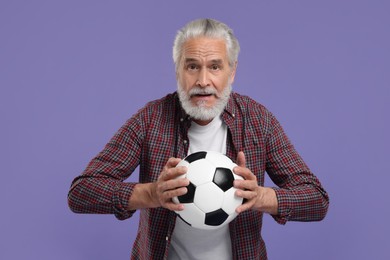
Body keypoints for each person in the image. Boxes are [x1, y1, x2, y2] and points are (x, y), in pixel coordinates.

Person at [68, 18, 329, 259]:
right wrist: (150, 194)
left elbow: (317, 200)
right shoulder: (150, 119)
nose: (203, 81)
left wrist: (261, 197)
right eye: (192, 66)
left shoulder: (258, 121)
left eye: (215, 66)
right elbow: (81, 193)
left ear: (232, 71)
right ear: (178, 70)